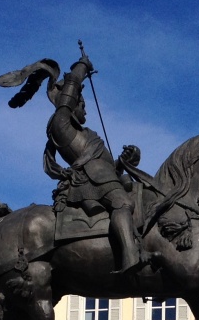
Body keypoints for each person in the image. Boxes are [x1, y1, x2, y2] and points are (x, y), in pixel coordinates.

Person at [43, 51, 143, 273]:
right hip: (90, 180)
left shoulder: (89, 135)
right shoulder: (62, 127)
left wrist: (124, 161)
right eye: (81, 104)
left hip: (104, 177)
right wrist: (81, 67)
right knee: (123, 204)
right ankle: (130, 256)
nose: (85, 109)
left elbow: (109, 168)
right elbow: (66, 101)